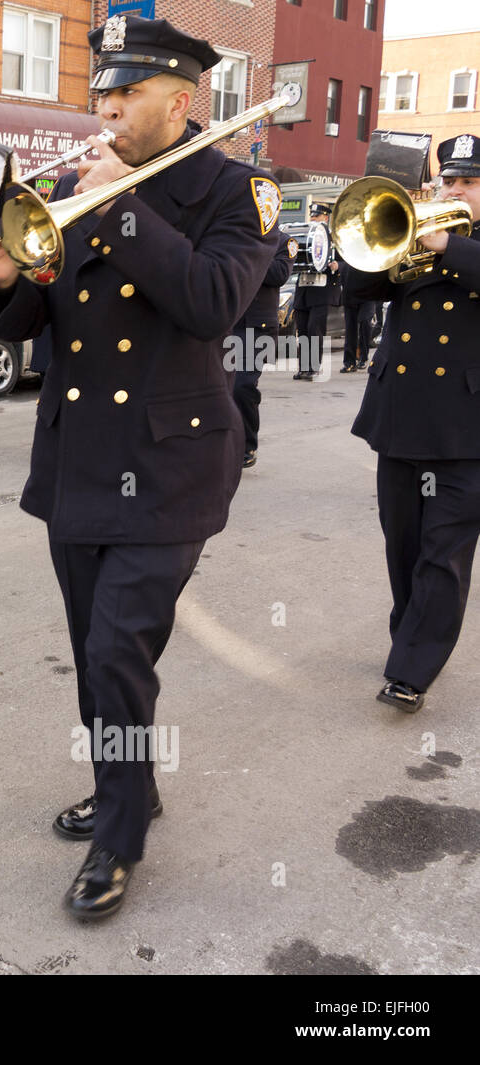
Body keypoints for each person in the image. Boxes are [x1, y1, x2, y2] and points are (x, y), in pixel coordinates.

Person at [0, 13, 283, 919]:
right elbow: (26, 331)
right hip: (79, 463)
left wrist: (117, 208)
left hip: (172, 464)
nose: (104, 109)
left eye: (126, 93)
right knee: (93, 652)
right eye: (101, 93)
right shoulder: (77, 187)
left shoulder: (237, 189)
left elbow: (213, 302)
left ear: (182, 101)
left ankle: (118, 837)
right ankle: (131, 784)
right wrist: (5, 272)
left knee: (117, 648)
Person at [343, 134, 480, 713]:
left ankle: (413, 668)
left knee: (443, 553)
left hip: (465, 426)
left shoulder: (455, 243)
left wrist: (447, 245)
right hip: (399, 415)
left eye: (469, 182)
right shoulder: (417, 231)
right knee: (402, 544)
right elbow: (358, 288)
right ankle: (413, 632)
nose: (455, 189)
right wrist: (388, 239)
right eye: (450, 179)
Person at [232, 225, 293, 468]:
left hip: (258, 327)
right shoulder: (239, 235)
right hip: (229, 320)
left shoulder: (284, 241)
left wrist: (250, 254)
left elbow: (279, 274)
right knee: (221, 386)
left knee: (243, 385)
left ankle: (247, 444)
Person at [292, 201, 338, 381]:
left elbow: (346, 259)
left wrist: (337, 265)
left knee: (314, 329)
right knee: (302, 329)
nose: (313, 218)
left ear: (325, 217)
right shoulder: (306, 235)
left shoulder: (333, 237)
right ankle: (303, 368)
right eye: (312, 216)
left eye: (316, 216)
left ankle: (314, 367)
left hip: (321, 290)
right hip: (303, 289)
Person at [340, 293, 374, 372]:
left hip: (369, 293)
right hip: (351, 292)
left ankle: (363, 357)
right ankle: (349, 362)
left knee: (365, 322)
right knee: (350, 327)